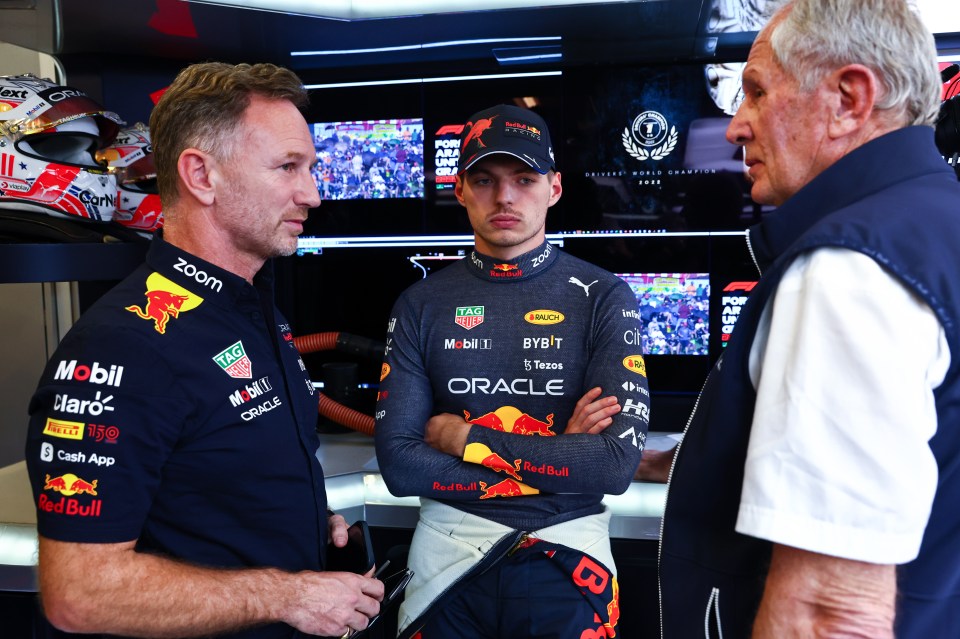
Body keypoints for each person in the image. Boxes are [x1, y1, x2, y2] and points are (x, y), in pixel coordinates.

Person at [24, 62, 383, 639]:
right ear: (201, 175)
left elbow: (216, 490)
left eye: (310, 168)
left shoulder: (255, 310)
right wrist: (288, 594)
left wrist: (301, 524)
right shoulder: (124, 344)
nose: (312, 194)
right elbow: (81, 592)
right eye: (288, 167)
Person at [638, 1, 960, 636]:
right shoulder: (935, 226)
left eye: (755, 92)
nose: (735, 127)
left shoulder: (848, 268)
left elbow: (828, 612)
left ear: (848, 100)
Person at [373, 104, 650, 638]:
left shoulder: (604, 297)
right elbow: (401, 467)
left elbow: (611, 467)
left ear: (555, 188)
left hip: (569, 556)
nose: (504, 197)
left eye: (524, 179)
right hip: (446, 559)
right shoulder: (420, 303)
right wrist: (559, 460)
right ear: (459, 190)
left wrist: (463, 437)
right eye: (485, 179)